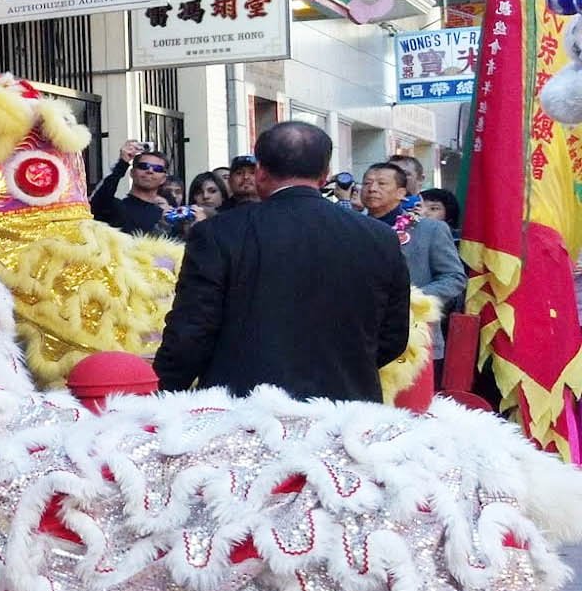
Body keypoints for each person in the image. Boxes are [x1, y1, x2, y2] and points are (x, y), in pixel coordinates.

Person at [153, 122, 411, 401]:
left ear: (261, 172)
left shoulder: (219, 233)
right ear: (324, 176)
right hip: (346, 409)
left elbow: (192, 330)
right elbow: (393, 335)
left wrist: (165, 391)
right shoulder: (379, 237)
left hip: (244, 408)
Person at [361, 163, 466, 373]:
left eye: (381, 183)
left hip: (414, 337)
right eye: (366, 183)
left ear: (401, 192)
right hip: (361, 337)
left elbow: (454, 278)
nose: (372, 188)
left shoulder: (429, 229)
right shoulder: (350, 227)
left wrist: (412, 298)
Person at [90, 141, 200, 238]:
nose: (150, 171)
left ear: (163, 179)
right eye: (143, 166)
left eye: (157, 169)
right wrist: (122, 163)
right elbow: (99, 199)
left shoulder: (168, 215)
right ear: (132, 173)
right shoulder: (115, 207)